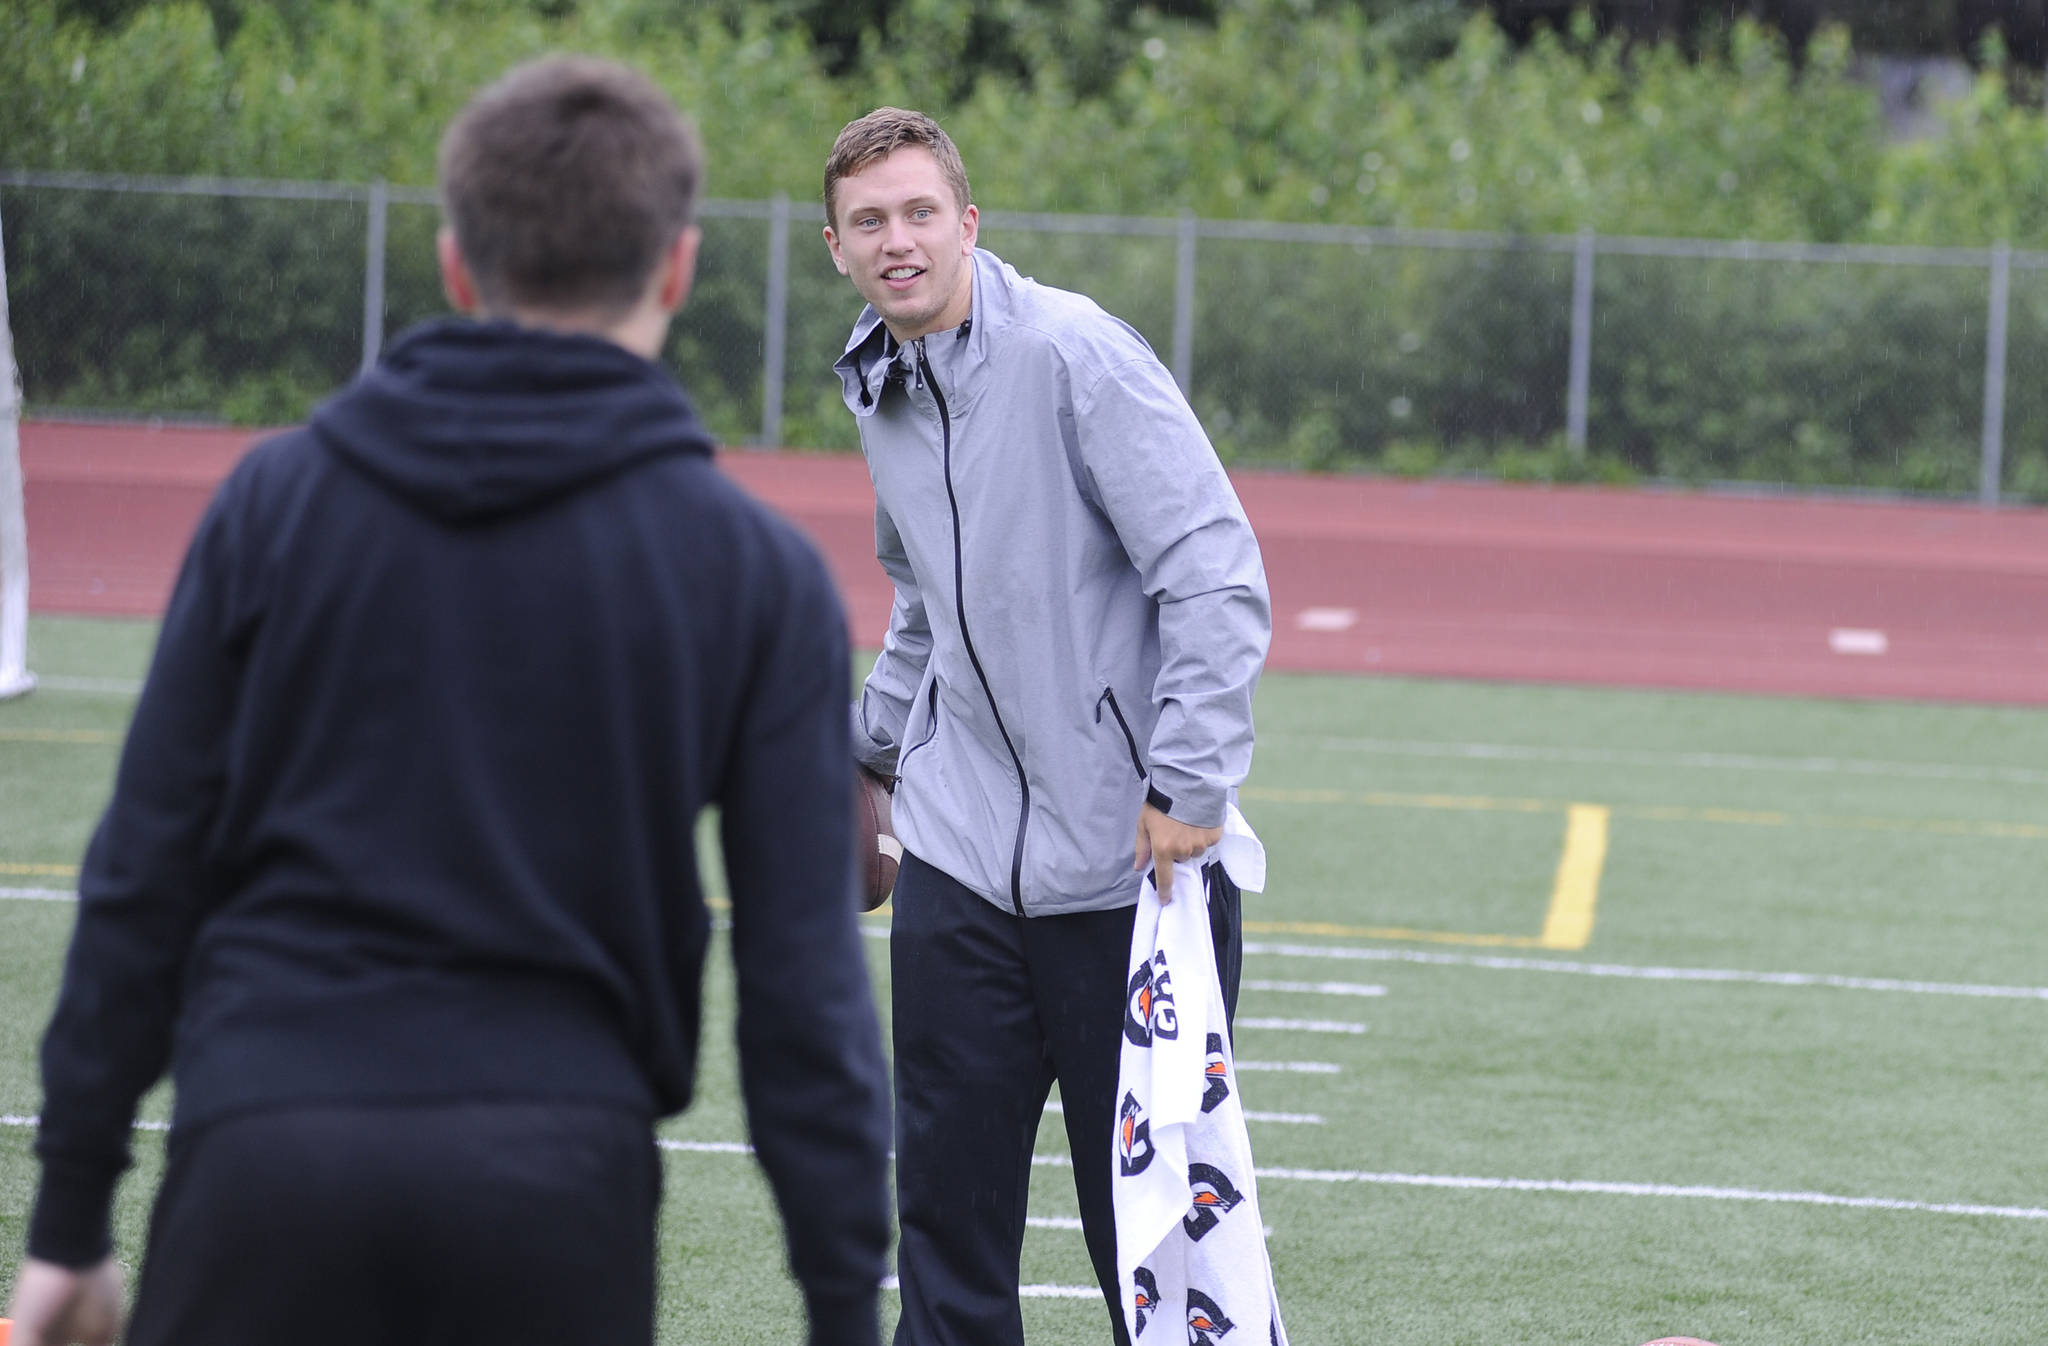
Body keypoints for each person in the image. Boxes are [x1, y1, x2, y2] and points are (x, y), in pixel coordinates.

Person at [10, 56, 891, 1346]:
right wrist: (837, 1305)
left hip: (262, 1153)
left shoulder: (274, 505)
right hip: (554, 1189)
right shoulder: (749, 570)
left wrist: (71, 1215)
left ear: (455, 267)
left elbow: (143, 870)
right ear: (677, 271)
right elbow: (801, 977)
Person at [821, 108, 1271, 1346]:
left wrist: (1185, 783)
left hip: (1126, 871)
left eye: (919, 213)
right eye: (870, 222)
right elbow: (923, 601)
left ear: (967, 223)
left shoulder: (1074, 353)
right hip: (959, 865)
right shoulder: (879, 381)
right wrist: (866, 758)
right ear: (835, 247)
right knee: (947, 1237)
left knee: (1151, 1247)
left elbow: (1214, 573)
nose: (896, 241)